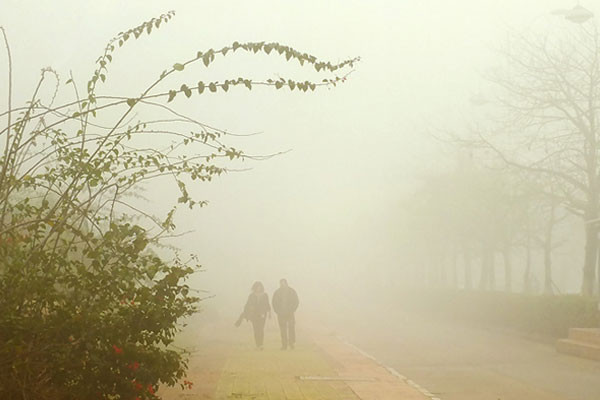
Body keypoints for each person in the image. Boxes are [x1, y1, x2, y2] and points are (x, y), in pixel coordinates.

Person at [235, 281, 271, 350]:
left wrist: (269, 313)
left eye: (259, 286)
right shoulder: (251, 296)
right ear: (255, 287)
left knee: (261, 329)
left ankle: (261, 344)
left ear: (261, 287)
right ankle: (257, 344)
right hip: (254, 315)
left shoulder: (265, 295)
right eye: (257, 287)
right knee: (256, 329)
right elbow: (247, 305)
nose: (258, 288)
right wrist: (245, 313)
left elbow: (267, 304)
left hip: (262, 314)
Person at [272, 279, 299, 350]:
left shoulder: (292, 292)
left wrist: (292, 310)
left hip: (290, 313)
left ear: (287, 283)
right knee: (283, 330)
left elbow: (296, 302)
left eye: (284, 283)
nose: (283, 285)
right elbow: (274, 303)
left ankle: (291, 343)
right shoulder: (277, 293)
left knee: (291, 328)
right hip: (281, 314)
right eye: (281, 283)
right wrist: (277, 311)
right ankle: (284, 345)